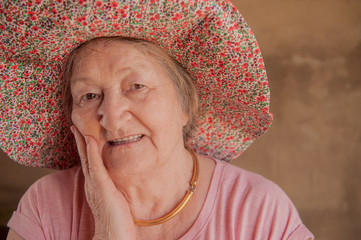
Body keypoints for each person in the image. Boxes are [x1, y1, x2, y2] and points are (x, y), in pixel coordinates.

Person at [1, 0, 313, 239]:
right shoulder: (45, 206)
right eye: (89, 96)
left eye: (136, 86)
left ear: (185, 104)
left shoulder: (259, 211)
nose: (110, 117)